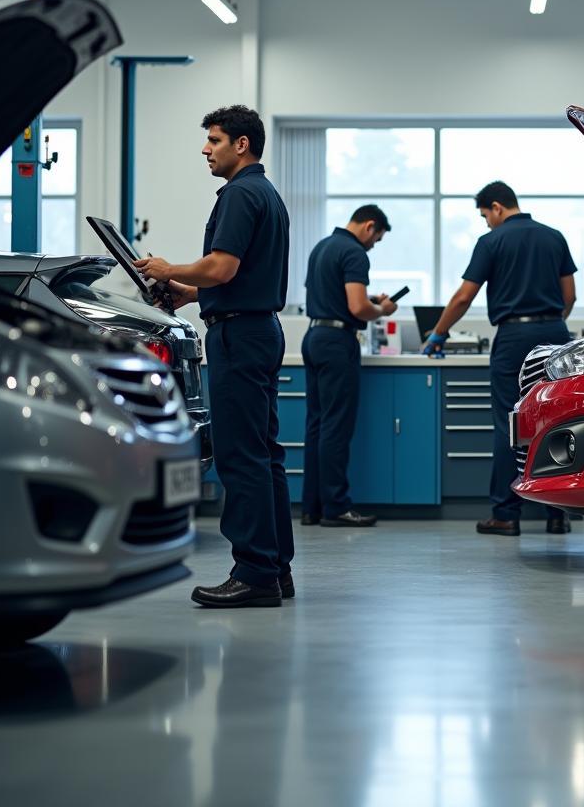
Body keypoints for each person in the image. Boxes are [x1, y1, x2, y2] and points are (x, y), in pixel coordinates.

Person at [135, 105, 293, 608]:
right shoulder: (265, 193)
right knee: (264, 456)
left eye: (215, 140)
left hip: (239, 338)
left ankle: (253, 573)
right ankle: (274, 567)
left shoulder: (241, 195)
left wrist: (167, 267)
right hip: (257, 330)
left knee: (240, 455)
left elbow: (222, 267)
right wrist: (186, 293)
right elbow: (239, 277)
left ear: (241, 144)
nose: (206, 149)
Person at [424, 181, 576, 536]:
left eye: (485, 216)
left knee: (509, 423)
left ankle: (506, 515)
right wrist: (551, 324)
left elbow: (464, 297)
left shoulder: (492, 241)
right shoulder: (554, 237)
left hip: (513, 338)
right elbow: (569, 294)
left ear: (496, 207)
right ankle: (558, 513)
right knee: (557, 420)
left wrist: (439, 332)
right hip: (555, 335)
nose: (486, 223)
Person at [300, 205, 397, 528]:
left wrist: (370, 303)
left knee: (316, 425)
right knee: (336, 427)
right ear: (369, 226)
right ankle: (337, 507)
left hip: (314, 336)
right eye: (377, 239)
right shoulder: (355, 253)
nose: (373, 246)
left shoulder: (322, 247)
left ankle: (312, 507)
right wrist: (380, 309)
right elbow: (357, 307)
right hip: (337, 343)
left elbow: (337, 297)